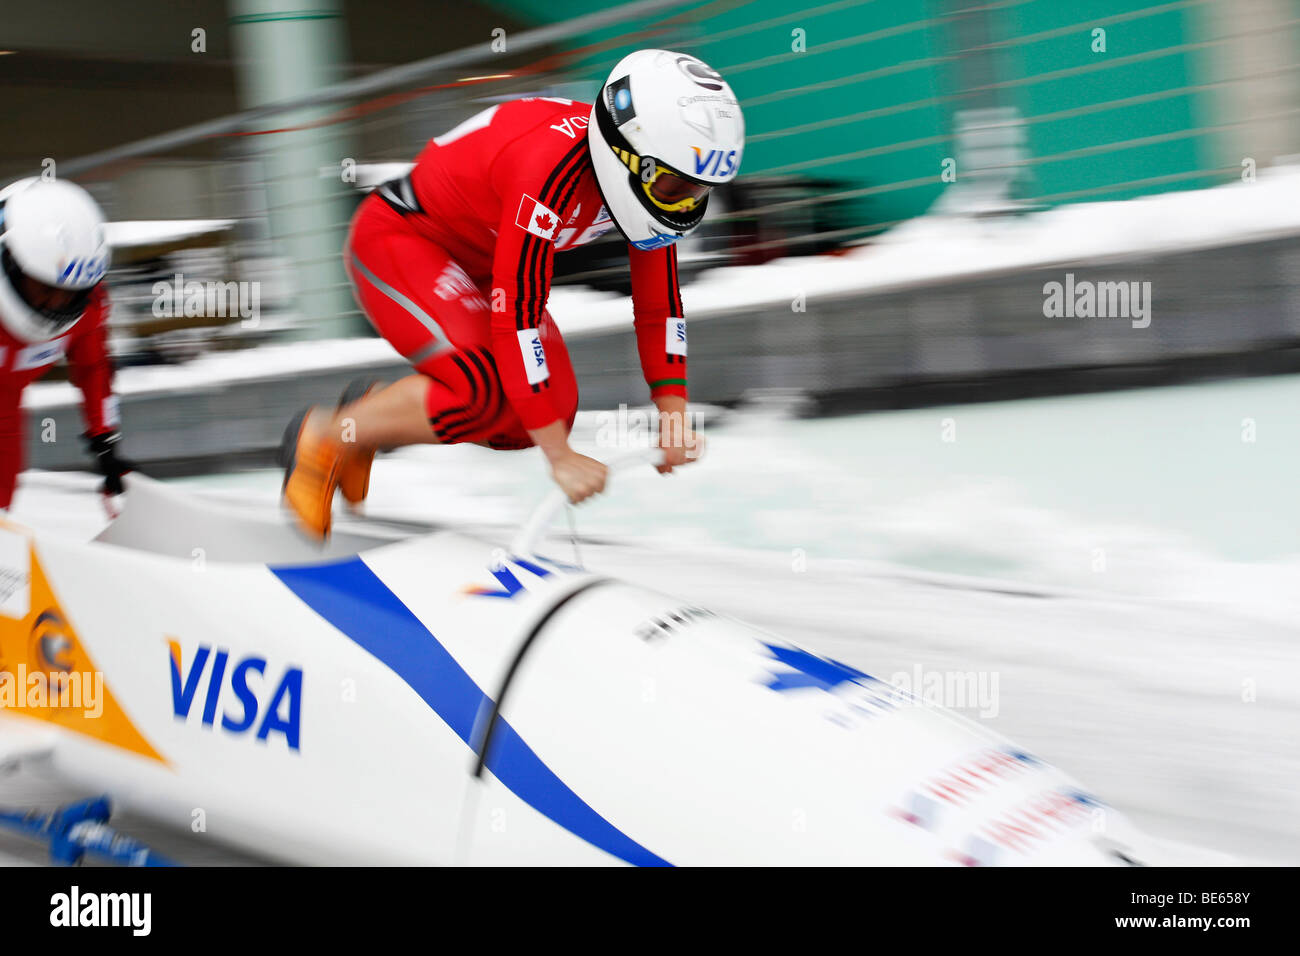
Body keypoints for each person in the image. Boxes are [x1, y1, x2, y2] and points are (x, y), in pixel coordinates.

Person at [282, 49, 744, 538]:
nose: (687, 202)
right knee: (483, 391)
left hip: (482, 264)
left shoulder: (636, 175)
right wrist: (559, 459)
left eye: (699, 189)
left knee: (543, 415)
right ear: (626, 153)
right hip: (403, 240)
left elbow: (659, 306)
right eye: (677, 185)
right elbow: (518, 315)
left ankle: (370, 418)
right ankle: (324, 435)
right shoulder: (546, 167)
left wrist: (672, 415)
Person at [0, 177, 131, 511]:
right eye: (45, 288)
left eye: (70, 294)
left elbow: (93, 369)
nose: (57, 305)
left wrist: (106, 444)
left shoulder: (88, 309)